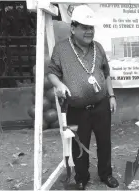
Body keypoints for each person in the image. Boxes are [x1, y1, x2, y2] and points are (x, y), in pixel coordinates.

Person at [47, 5, 119, 190]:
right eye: (85, 27)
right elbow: (52, 73)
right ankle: (81, 177)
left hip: (101, 105)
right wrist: (60, 84)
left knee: (105, 142)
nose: (89, 31)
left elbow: (107, 73)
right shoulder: (61, 49)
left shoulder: (99, 48)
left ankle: (106, 174)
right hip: (76, 110)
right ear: (73, 28)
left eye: (91, 27)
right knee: (78, 144)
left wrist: (111, 95)